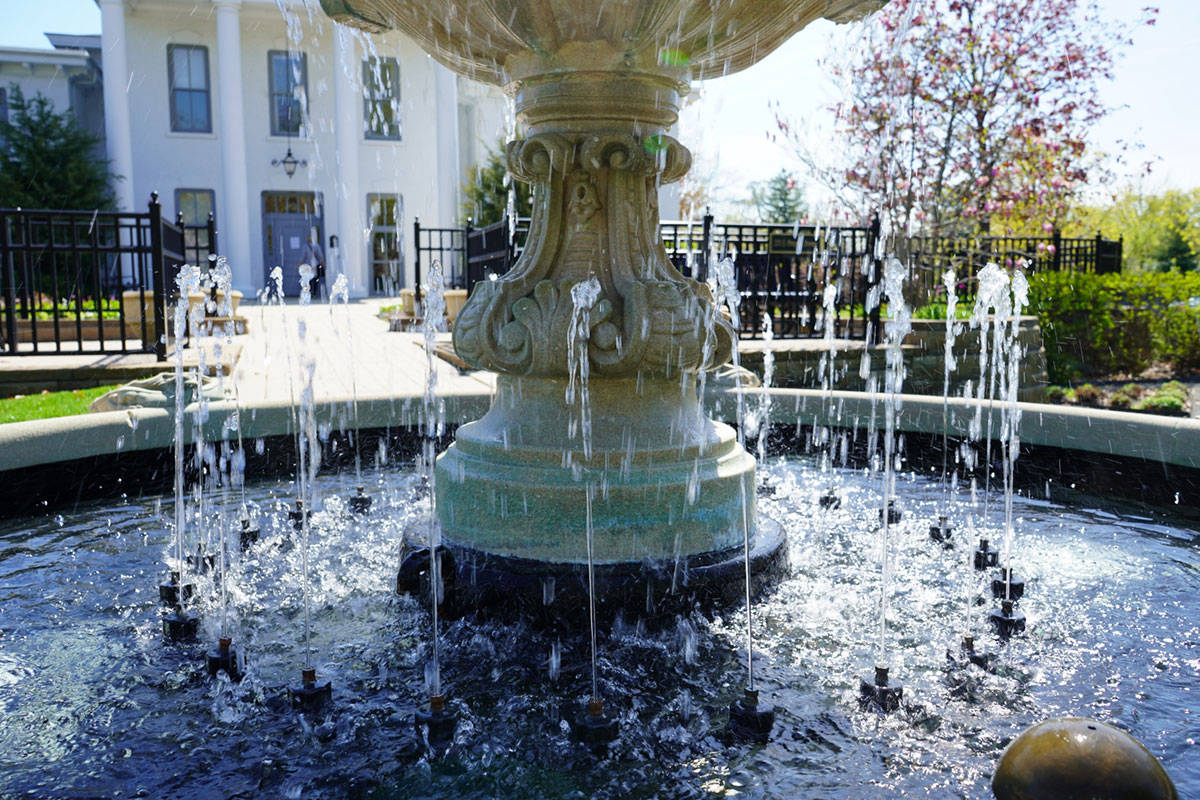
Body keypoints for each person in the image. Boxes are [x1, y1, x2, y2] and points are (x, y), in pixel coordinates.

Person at [300, 230, 326, 299]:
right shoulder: (316, 246)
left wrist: (300, 264)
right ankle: (314, 292)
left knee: (309, 279)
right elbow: (320, 256)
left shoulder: (306, 246)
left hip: (308, 265)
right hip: (315, 265)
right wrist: (323, 264)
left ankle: (310, 292)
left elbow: (303, 256)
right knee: (315, 279)